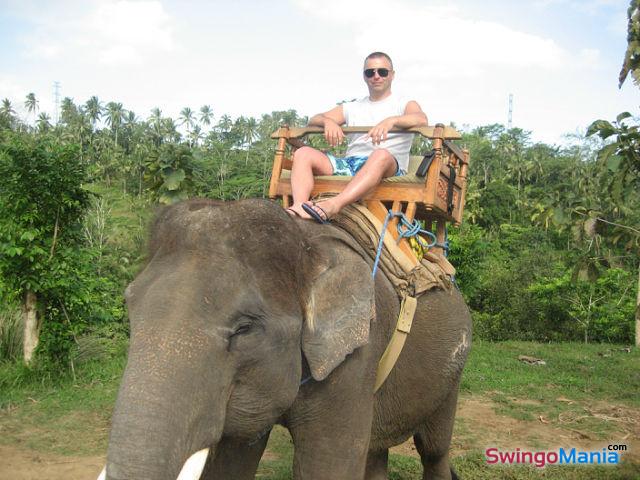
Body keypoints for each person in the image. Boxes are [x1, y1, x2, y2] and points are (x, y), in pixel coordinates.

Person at [286, 51, 428, 223]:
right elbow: (314, 119)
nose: (376, 76)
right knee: (303, 153)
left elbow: (421, 119)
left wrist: (392, 121)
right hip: (351, 163)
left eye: (382, 72)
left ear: (392, 75)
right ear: (364, 76)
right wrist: (327, 122)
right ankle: (300, 207)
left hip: (386, 165)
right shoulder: (352, 107)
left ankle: (334, 205)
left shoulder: (403, 103)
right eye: (370, 72)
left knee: (380, 154)